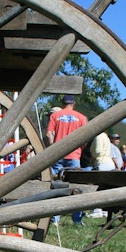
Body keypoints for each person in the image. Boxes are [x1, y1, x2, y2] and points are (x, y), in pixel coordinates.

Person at [46, 94, 87, 225]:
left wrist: (53, 147)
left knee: (56, 186)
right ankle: (77, 219)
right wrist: (80, 148)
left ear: (62, 103)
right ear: (73, 103)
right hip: (74, 155)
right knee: (76, 187)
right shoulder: (81, 118)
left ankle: (55, 219)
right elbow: (85, 137)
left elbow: (48, 134)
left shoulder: (55, 116)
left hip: (58, 154)